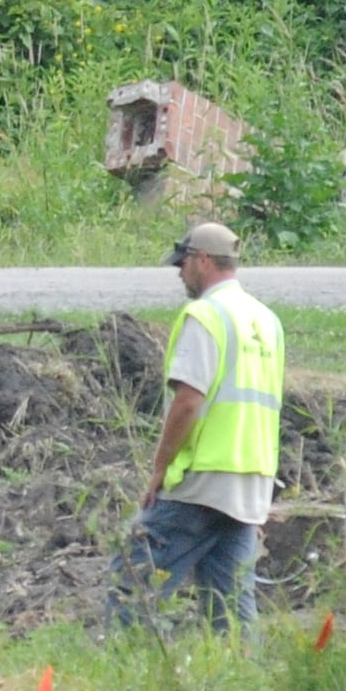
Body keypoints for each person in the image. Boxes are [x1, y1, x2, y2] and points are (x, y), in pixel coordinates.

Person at [122, 219, 283, 624]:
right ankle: (241, 677)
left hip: (202, 479)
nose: (179, 272)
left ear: (203, 261)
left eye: (183, 262)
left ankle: (118, 666)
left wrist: (160, 467)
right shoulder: (266, 321)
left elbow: (188, 402)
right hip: (251, 482)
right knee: (229, 605)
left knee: (133, 583)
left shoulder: (206, 315)